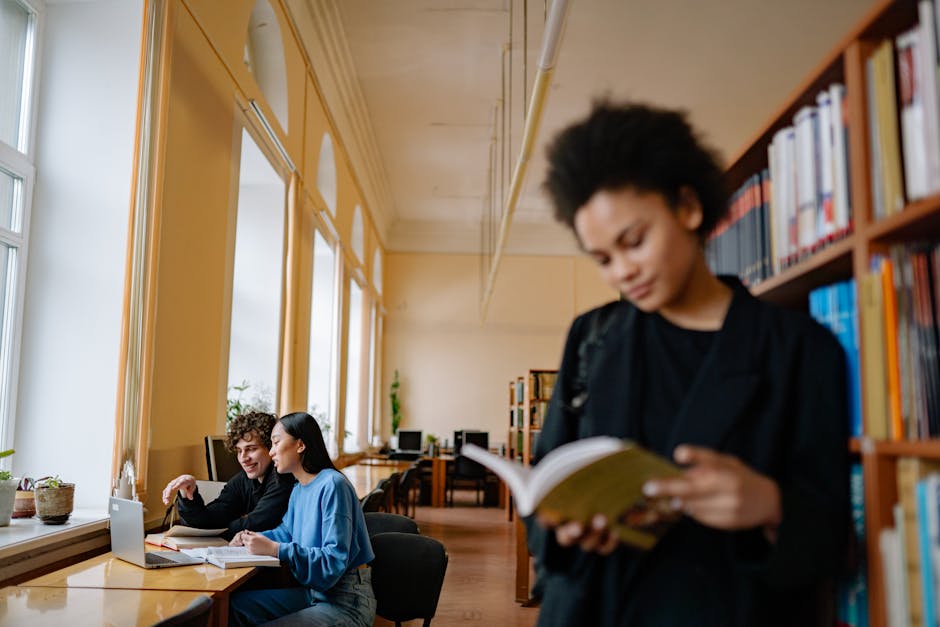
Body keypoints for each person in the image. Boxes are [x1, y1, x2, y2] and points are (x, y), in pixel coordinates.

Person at [526, 100, 849, 626]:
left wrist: (772, 506)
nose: (622, 272)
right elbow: (544, 485)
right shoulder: (593, 337)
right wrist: (562, 527)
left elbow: (833, 534)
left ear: (688, 208)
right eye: (603, 258)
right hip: (592, 610)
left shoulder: (801, 349)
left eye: (634, 241)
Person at [227, 411, 376, 627]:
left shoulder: (333, 485)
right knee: (233, 606)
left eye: (276, 443)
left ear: (300, 445)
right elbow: (286, 532)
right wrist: (250, 537)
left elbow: (333, 561)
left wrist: (276, 549)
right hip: (314, 593)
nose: (271, 452)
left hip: (346, 601)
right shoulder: (299, 489)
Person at [161, 411, 293, 539]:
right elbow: (210, 519)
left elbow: (257, 523)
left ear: (271, 447)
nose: (243, 458)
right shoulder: (243, 480)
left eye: (251, 449)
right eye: (239, 450)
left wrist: (217, 531)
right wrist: (188, 493)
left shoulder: (283, 478)